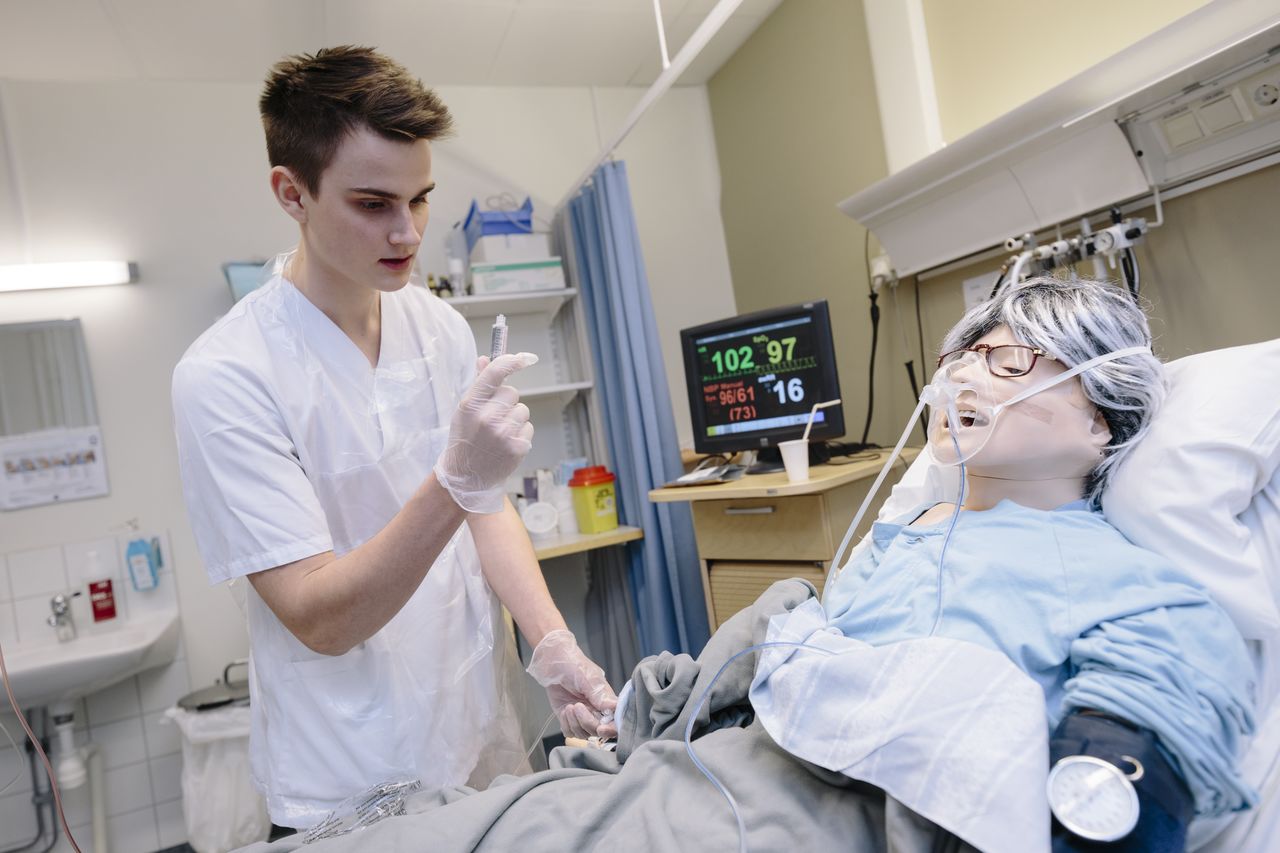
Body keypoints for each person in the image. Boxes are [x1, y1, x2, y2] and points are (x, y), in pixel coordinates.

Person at [171, 46, 616, 830]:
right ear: (292, 192)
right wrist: (453, 478)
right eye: (373, 203)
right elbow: (319, 614)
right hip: (348, 774)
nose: (408, 232)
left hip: (478, 738)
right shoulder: (227, 375)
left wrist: (552, 644)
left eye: (421, 199)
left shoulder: (436, 325)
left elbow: (487, 508)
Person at [821, 276, 1256, 851]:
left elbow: (1128, 774)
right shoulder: (896, 534)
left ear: (1099, 420)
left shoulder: (1119, 578)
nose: (961, 377)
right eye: (963, 358)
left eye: (1008, 360)